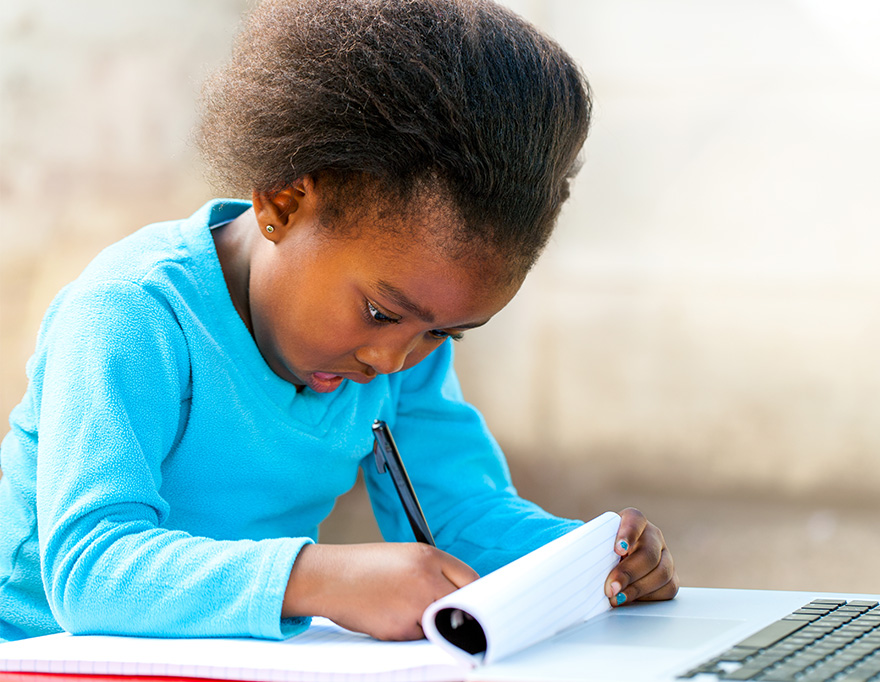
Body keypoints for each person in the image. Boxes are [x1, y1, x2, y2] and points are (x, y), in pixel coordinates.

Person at [0, 0, 677, 643]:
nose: (391, 361)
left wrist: (591, 556)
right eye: (381, 312)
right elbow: (89, 572)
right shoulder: (132, 313)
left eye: (444, 332)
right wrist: (320, 578)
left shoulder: (406, 345)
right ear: (284, 202)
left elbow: (459, 515)